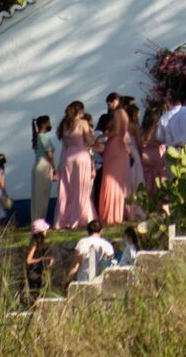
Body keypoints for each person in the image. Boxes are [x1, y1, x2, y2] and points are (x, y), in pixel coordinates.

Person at [54, 101, 97, 229]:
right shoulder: (83, 123)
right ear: (80, 110)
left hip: (68, 158)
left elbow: (64, 146)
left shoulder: (64, 125)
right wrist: (92, 135)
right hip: (81, 157)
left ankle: (64, 219)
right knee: (81, 189)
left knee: (67, 190)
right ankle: (81, 218)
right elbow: (90, 142)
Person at [97, 93, 134, 224]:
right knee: (120, 179)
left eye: (110, 102)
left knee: (110, 179)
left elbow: (117, 131)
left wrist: (102, 136)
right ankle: (121, 211)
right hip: (120, 146)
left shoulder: (118, 113)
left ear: (116, 101)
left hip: (114, 145)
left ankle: (112, 213)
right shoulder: (124, 113)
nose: (109, 105)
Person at [29, 115, 58, 226]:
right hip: (44, 166)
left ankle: (36, 220)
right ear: (44, 124)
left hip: (37, 165)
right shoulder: (44, 138)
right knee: (43, 195)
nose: (50, 124)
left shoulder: (37, 137)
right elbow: (50, 155)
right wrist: (54, 169)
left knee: (37, 195)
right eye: (48, 122)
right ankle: (40, 220)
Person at [69, 218, 117, 284]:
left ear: (88, 231)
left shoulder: (82, 243)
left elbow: (75, 265)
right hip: (102, 282)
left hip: (83, 281)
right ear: (101, 231)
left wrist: (68, 280)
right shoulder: (107, 245)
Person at [24, 221, 57, 302]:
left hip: (38, 271)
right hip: (33, 272)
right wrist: (43, 259)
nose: (47, 231)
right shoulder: (34, 242)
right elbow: (28, 260)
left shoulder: (40, 242)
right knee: (34, 294)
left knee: (37, 293)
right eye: (45, 229)